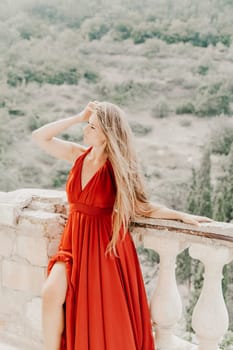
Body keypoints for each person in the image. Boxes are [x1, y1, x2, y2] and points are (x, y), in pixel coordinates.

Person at [31, 101, 212, 350]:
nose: (85, 130)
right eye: (88, 125)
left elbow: (142, 206)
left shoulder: (116, 168)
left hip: (102, 248)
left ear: (106, 133)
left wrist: (179, 216)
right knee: (51, 293)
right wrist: (78, 117)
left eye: (92, 127)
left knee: (102, 317)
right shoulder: (78, 155)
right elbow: (40, 137)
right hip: (73, 242)